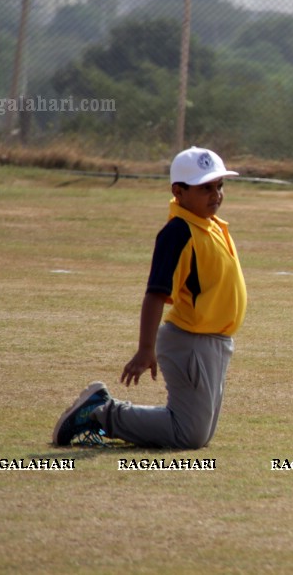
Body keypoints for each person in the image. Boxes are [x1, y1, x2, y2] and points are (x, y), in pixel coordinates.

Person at [53, 146, 247, 448]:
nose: (216, 194)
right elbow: (155, 294)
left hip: (215, 343)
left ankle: (104, 412)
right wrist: (146, 349)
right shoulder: (178, 233)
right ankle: (100, 413)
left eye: (219, 186)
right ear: (178, 191)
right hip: (190, 342)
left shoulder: (211, 226)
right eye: (205, 187)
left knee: (199, 434)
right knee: (188, 435)